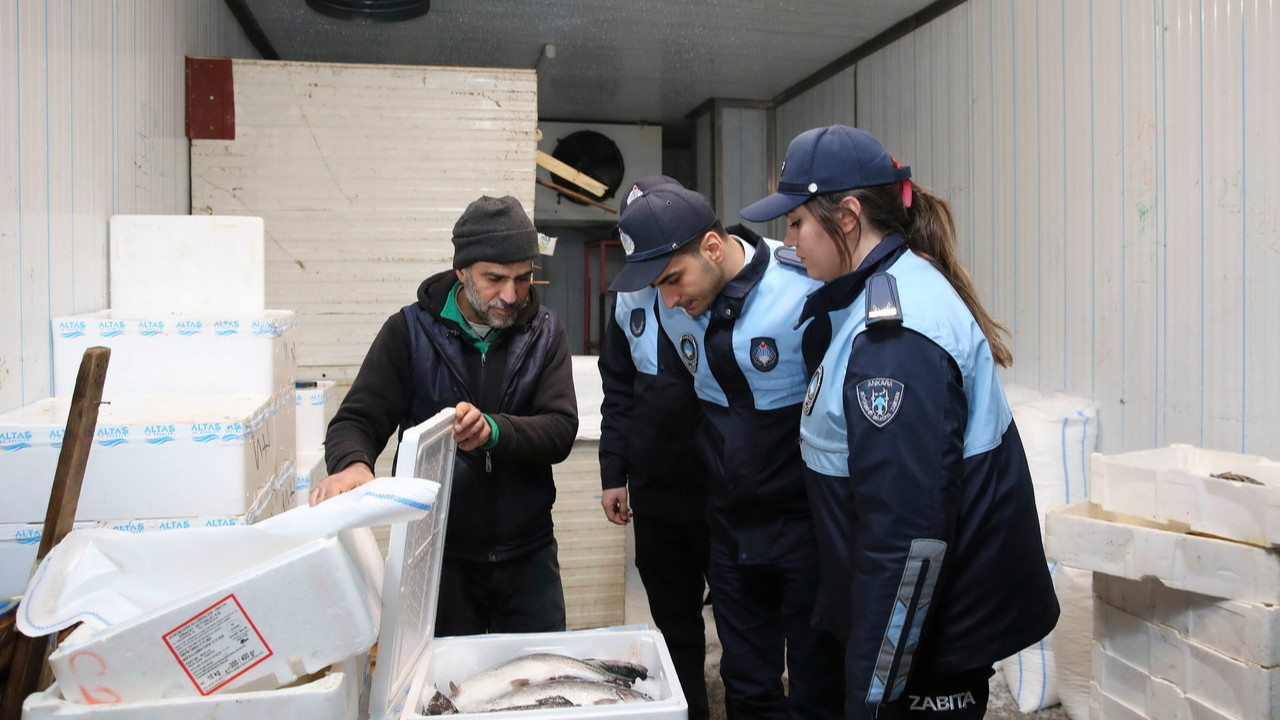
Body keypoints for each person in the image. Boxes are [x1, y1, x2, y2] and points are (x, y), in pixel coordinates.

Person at [740, 124, 1059, 719]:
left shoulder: (894, 342)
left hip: (927, 650)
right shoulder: (873, 297)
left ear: (849, 217)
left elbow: (908, 547)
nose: (789, 241)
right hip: (904, 628)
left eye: (797, 222)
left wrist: (873, 692)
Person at [611, 185, 843, 719]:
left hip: (804, 529)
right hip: (731, 529)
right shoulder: (677, 306)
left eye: (673, 280)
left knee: (816, 686)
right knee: (746, 686)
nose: (667, 300)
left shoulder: (802, 288)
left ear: (713, 248)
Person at [312, 194, 578, 637]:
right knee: (445, 691)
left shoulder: (546, 333)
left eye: (522, 279)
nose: (511, 296)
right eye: (494, 279)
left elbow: (560, 430)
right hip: (438, 558)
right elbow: (357, 420)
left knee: (536, 686)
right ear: (461, 271)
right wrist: (353, 465)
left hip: (528, 559)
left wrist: (495, 430)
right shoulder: (410, 332)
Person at [598, 175, 712, 720]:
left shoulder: (709, 282)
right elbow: (618, 389)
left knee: (742, 620)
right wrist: (613, 473)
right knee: (676, 620)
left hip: (721, 487)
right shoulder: (625, 299)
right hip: (658, 491)